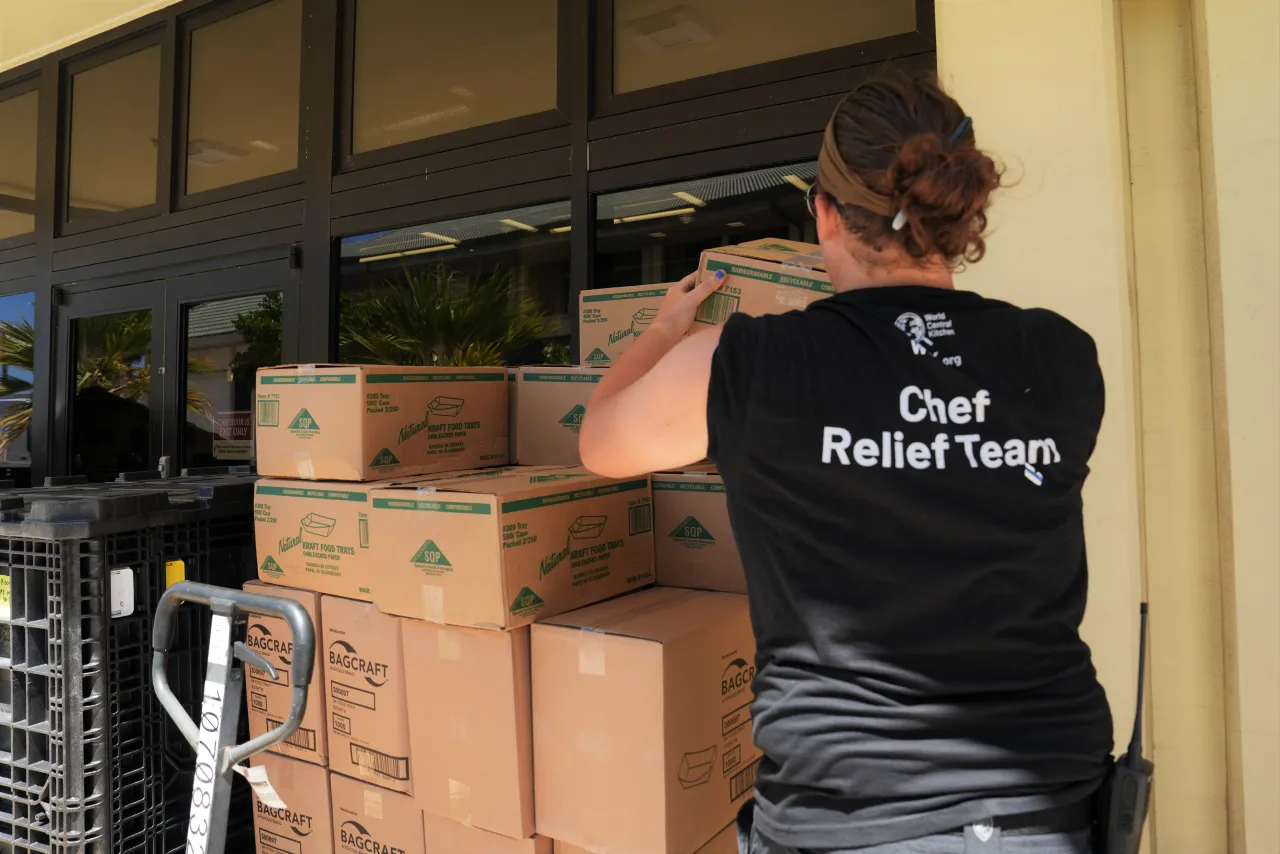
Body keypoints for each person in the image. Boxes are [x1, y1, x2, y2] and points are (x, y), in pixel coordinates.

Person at [579, 73, 1113, 854]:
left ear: (823, 213)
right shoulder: (1061, 355)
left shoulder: (748, 363)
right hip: (1051, 811)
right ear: (963, 212)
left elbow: (600, 443)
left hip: (852, 819)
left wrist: (664, 329)